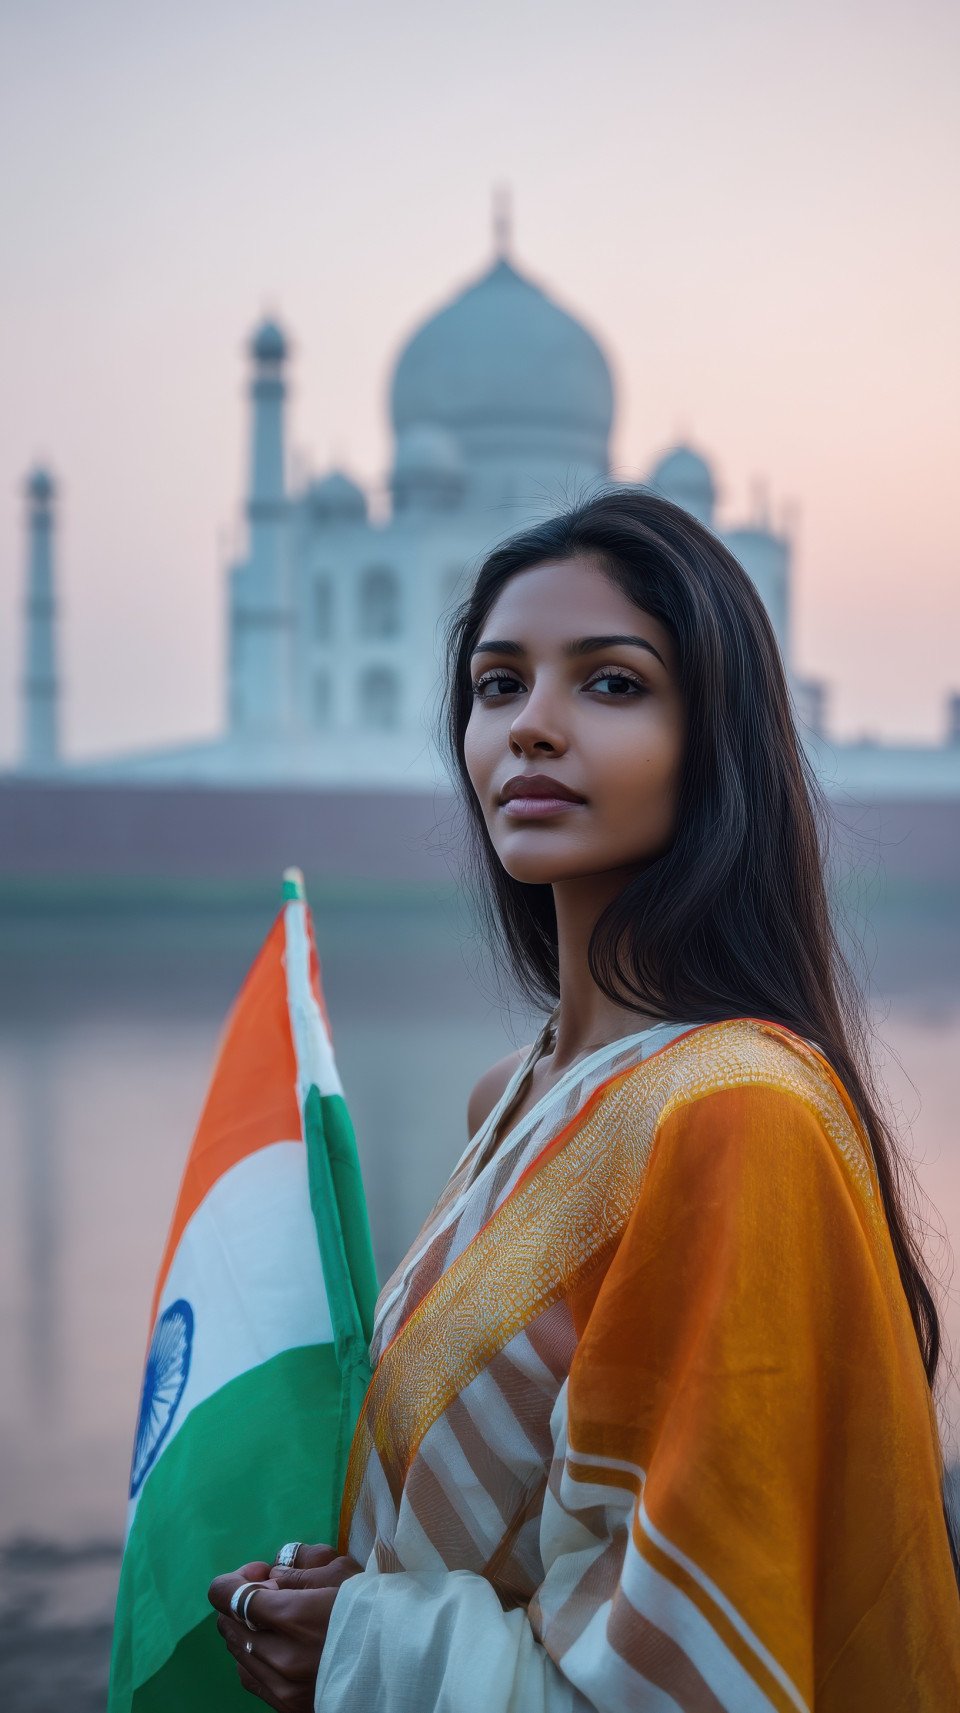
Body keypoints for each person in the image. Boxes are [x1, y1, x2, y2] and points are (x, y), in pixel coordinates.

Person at [209, 488, 960, 1710]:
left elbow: (692, 1677)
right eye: (499, 686)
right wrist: (346, 1602)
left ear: (710, 739)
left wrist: (368, 1645)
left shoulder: (732, 1114)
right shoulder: (513, 1098)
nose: (532, 728)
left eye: (610, 684)